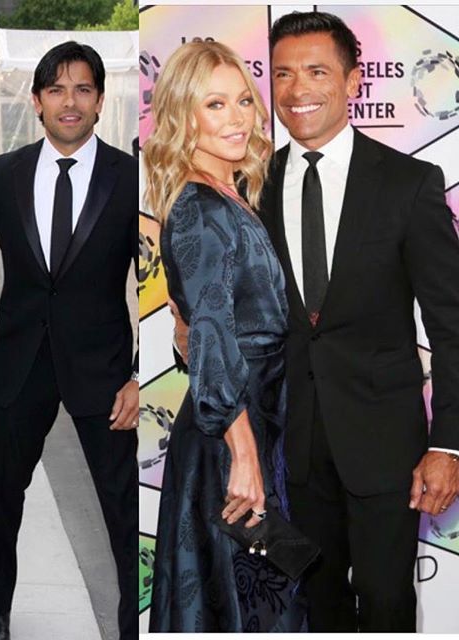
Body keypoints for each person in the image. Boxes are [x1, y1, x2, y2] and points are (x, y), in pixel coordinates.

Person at [173, 11, 459, 632]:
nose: (298, 88)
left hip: (386, 449)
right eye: (282, 74)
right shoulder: (248, 184)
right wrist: (188, 333)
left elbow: (452, 326)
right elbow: (220, 308)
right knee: (311, 613)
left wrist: (448, 444)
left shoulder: (409, 183)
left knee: (386, 606)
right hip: (287, 452)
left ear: (353, 81)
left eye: (317, 71)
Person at [0, 41, 138, 640]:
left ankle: (135, 622)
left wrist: (138, 373)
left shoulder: (131, 178)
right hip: (21, 362)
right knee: (2, 495)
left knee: (124, 507)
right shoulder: (4, 173)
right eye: (56, 90)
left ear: (100, 101)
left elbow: (158, 279)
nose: (70, 102)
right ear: (38, 101)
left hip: (104, 371)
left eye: (83, 89)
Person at [144, 41, 303, 633]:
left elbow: (202, 325)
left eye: (243, 100)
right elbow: (212, 338)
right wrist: (245, 455)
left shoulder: (228, 195)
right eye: (215, 104)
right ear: (184, 115)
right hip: (232, 436)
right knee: (247, 609)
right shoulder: (199, 208)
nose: (237, 118)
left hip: (253, 421)